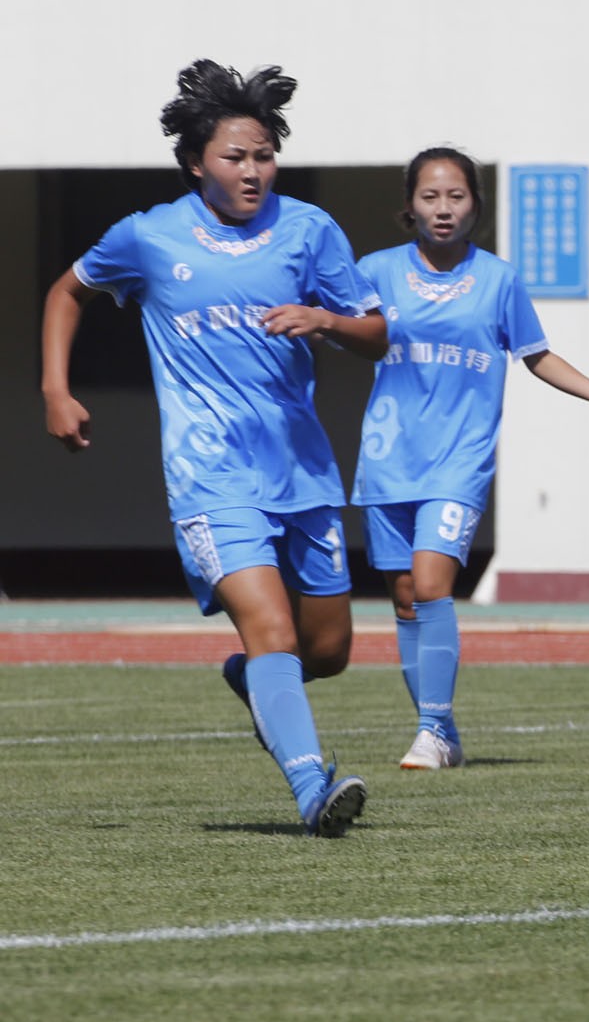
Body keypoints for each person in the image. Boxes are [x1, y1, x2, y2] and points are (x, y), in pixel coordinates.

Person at [39, 61, 387, 838]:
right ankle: (311, 789)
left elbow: (376, 333)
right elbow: (68, 291)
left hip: (302, 474)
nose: (254, 170)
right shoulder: (149, 236)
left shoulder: (309, 231)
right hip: (210, 478)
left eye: (265, 154)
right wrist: (56, 389)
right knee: (271, 631)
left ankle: (249, 682)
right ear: (197, 161)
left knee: (323, 651)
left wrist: (324, 321)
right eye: (237, 156)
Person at [354, 147, 589, 772]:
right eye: (429, 197)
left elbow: (536, 355)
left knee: (432, 586)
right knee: (404, 598)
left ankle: (431, 733)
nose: (442, 209)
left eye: (455, 196)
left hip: (459, 464)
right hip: (386, 461)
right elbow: (340, 329)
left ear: (476, 206)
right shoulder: (374, 272)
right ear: (409, 205)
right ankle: (442, 728)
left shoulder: (499, 279)